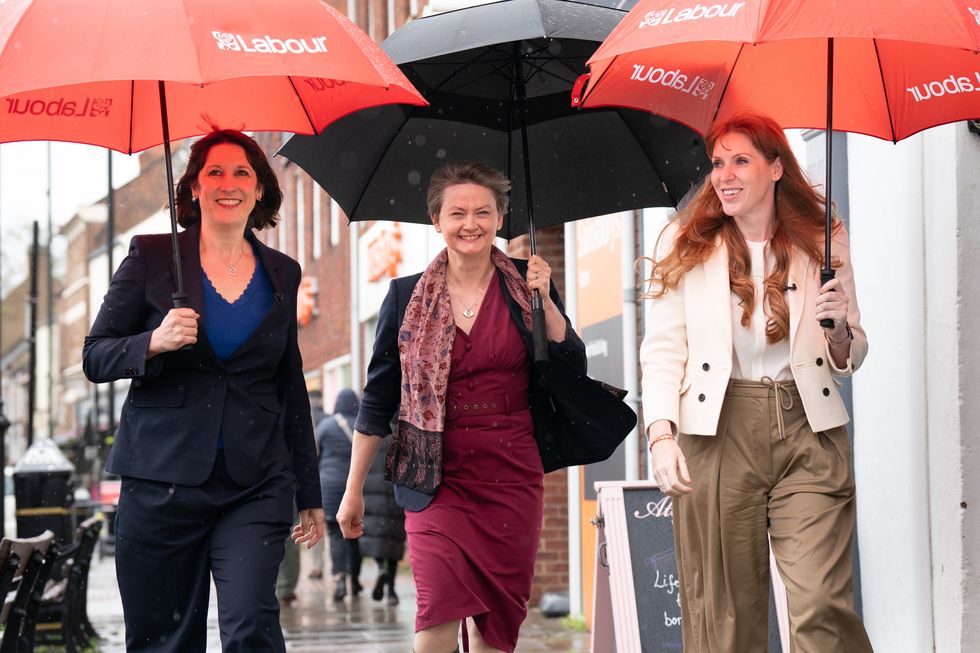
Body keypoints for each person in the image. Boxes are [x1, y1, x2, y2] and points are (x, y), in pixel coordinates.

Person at [640, 110, 874, 652]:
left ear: (775, 167)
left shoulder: (822, 238)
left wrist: (839, 328)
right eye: (717, 162)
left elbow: (852, 352)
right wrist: (661, 434)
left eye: (740, 160)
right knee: (727, 618)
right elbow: (663, 349)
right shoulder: (685, 240)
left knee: (821, 605)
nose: (724, 174)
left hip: (807, 428)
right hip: (717, 431)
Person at [83, 129, 324, 652]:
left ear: (261, 188)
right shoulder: (150, 256)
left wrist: (309, 492)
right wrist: (152, 341)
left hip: (254, 482)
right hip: (160, 481)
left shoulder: (282, 272)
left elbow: (289, 384)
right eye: (214, 172)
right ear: (192, 187)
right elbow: (95, 354)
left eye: (242, 172)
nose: (228, 183)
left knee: (251, 625)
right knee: (165, 639)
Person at [336, 161, 586, 653]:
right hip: (435, 474)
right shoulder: (405, 295)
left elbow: (570, 365)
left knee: (495, 633)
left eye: (483, 212)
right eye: (457, 213)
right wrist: (352, 492)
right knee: (435, 625)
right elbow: (378, 398)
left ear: (499, 218)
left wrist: (548, 303)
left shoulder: (527, 284)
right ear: (436, 220)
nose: (470, 223)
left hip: (512, 473)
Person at [317, 388, 363, 601]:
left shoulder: (325, 426)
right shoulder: (361, 426)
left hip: (329, 488)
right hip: (352, 488)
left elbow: (315, 455)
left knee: (336, 534)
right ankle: (354, 578)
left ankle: (339, 579)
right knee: (354, 534)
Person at [359, 432, 406, 606]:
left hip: (372, 494)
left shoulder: (373, 435)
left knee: (376, 537)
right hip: (395, 495)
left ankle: (379, 568)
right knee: (393, 542)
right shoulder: (402, 434)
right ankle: (392, 591)